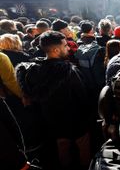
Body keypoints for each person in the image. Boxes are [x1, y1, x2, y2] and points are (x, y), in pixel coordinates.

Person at [16, 31, 92, 170]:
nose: (68, 48)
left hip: (51, 121)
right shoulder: (69, 72)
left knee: (62, 147)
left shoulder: (33, 71)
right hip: (76, 120)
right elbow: (83, 97)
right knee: (84, 148)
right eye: (65, 45)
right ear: (56, 49)